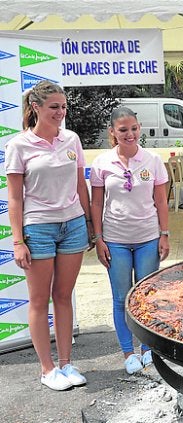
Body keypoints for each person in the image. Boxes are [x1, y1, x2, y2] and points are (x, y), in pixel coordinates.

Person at [6, 80, 91, 391]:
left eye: (64, 107)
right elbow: (14, 198)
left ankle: (66, 363)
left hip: (73, 225)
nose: (60, 112)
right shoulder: (18, 145)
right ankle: (47, 368)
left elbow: (81, 185)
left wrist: (91, 224)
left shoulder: (72, 139)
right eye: (54, 107)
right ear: (36, 107)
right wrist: (18, 241)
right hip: (38, 227)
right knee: (40, 300)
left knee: (64, 296)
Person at [90, 107, 170, 374]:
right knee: (120, 297)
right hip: (115, 240)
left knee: (146, 297)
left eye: (134, 128)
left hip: (148, 238)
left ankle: (148, 349)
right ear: (112, 132)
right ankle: (128, 352)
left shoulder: (153, 160)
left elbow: (161, 201)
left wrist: (164, 234)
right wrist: (99, 239)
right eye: (123, 130)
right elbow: (96, 202)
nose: (130, 134)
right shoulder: (102, 163)